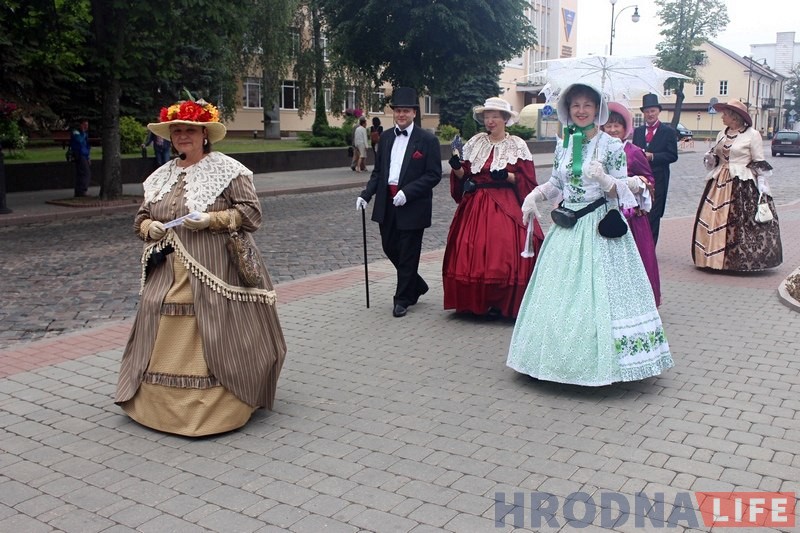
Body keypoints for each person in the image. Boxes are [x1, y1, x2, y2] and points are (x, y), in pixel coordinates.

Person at [115, 98, 287, 436]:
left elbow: (252, 215)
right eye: (176, 131)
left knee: (212, 325)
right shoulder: (161, 175)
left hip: (216, 266)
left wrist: (212, 219)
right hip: (168, 270)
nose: (182, 136)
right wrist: (149, 227)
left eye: (189, 130)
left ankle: (218, 405)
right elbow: (141, 218)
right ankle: (159, 407)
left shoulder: (227, 169)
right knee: (161, 318)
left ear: (204, 133)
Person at [508, 83, 673, 386]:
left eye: (587, 105)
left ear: (598, 109)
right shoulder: (565, 145)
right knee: (559, 294)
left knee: (602, 294)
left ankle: (607, 363)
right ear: (567, 110)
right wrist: (536, 195)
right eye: (575, 105)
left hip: (600, 225)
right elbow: (558, 183)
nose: (581, 111)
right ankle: (552, 359)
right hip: (568, 226)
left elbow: (622, 192)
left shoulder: (612, 146)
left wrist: (605, 178)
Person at [443, 97, 544, 319]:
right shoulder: (476, 142)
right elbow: (465, 176)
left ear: (505, 119)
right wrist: (457, 168)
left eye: (495, 116)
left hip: (506, 202)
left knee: (504, 250)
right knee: (472, 248)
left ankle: (504, 302)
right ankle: (475, 303)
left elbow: (528, 181)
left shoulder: (517, 144)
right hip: (476, 204)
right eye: (487, 117)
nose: (490, 121)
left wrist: (508, 176)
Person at [356, 87, 442, 318]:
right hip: (387, 203)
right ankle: (417, 284)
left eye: (406, 111)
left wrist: (408, 191)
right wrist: (366, 195)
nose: (401, 115)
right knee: (389, 246)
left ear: (414, 113)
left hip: (412, 204)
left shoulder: (427, 140)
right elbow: (379, 172)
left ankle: (403, 298)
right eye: (398, 111)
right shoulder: (385, 138)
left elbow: (433, 174)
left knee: (407, 253)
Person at [692, 99, 782, 271]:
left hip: (742, 182)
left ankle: (736, 261)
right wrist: (711, 158)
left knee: (739, 220)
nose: (722, 117)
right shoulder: (722, 134)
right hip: (719, 179)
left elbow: (758, 161)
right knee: (712, 217)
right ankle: (710, 258)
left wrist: (762, 186)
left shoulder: (752, 135)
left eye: (725, 114)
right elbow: (717, 158)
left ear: (735, 117)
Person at [602, 102, 661, 306]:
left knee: (634, 258)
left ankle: (639, 300)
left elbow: (649, 181)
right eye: (608, 125)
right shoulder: (598, 150)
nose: (612, 130)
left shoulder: (634, 151)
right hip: (603, 212)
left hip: (629, 215)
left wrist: (631, 184)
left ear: (625, 128)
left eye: (616, 126)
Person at [632, 93, 678, 245]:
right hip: (640, 179)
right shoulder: (638, 132)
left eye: (652, 111)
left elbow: (672, 155)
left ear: (658, 111)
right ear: (643, 113)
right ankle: (639, 245)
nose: (650, 114)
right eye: (647, 111)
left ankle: (651, 247)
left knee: (654, 213)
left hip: (659, 179)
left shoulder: (668, 131)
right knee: (638, 211)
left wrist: (653, 157)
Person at [70, 119, 91, 197]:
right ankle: (82, 191)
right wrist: (83, 133)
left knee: (81, 173)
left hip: (84, 154)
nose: (86, 127)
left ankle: (79, 192)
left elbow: (87, 146)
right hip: (79, 154)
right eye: (84, 125)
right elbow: (79, 140)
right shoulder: (76, 132)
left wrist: (88, 157)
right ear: (81, 125)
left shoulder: (85, 133)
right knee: (85, 173)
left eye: (87, 125)